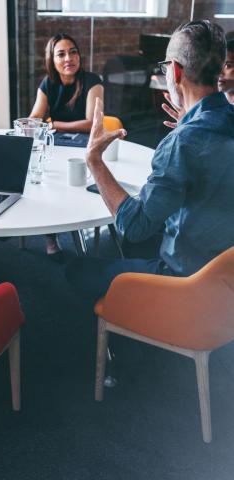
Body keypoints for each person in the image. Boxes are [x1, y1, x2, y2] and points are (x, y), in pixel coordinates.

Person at [66, 20, 234, 301]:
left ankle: (130, 338)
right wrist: (188, 125)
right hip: (224, 275)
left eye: (164, 66)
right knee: (133, 248)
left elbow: (134, 226)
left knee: (77, 269)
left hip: (186, 283)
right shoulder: (220, 120)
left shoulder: (183, 142)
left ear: (176, 71)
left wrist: (94, 159)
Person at [30, 33, 103, 258]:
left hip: (84, 147)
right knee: (47, 179)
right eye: (61, 54)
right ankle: (50, 236)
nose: (68, 58)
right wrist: (35, 123)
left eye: (73, 52)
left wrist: (53, 123)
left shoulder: (93, 81)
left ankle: (75, 224)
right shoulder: (48, 83)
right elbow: (34, 117)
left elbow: (92, 122)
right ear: (52, 60)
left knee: (70, 181)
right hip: (57, 145)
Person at [162, 35, 234, 128]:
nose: (219, 71)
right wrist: (188, 125)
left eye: (228, 65)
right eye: (218, 65)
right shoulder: (214, 103)